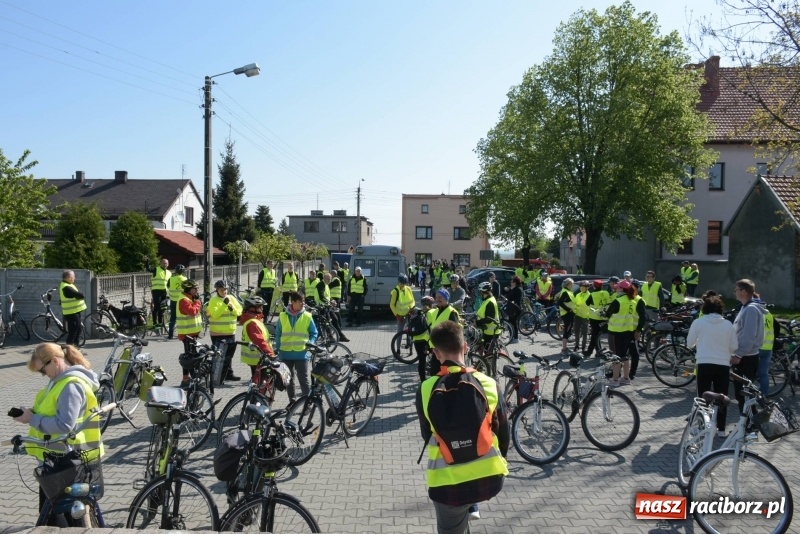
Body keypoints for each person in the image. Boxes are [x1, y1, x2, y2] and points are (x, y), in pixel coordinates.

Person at [415, 320, 509, 534]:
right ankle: (472, 506)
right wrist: (501, 460)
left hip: (448, 486)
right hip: (489, 479)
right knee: (469, 502)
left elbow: (426, 434)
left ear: (436, 353)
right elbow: (503, 432)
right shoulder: (489, 383)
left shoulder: (425, 389)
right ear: (465, 346)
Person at [13, 343, 103, 525]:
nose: (43, 375)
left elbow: (64, 424)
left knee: (58, 515)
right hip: (61, 459)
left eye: (42, 370)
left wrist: (32, 419)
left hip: (69, 460)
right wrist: (30, 414)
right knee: (57, 513)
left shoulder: (71, 386)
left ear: (55, 361)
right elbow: (55, 412)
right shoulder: (60, 381)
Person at [686, 294, 738, 436]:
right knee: (722, 397)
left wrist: (700, 343)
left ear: (705, 308)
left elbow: (689, 343)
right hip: (722, 364)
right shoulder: (728, 324)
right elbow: (734, 346)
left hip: (704, 362)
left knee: (703, 397)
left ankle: (702, 426)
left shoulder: (698, 322)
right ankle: (721, 429)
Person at [274, 291, 318, 404]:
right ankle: (292, 403)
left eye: (303, 301)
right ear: (292, 302)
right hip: (285, 354)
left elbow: (314, 333)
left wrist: (310, 343)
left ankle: (307, 404)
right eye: (300, 301)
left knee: (304, 380)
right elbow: (278, 333)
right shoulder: (282, 316)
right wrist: (278, 349)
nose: (303, 303)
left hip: (302, 353)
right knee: (288, 380)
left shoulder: (307, 316)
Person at [732, 279, 766, 412]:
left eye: (736, 290)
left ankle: (750, 427)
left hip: (746, 358)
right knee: (742, 394)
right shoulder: (746, 307)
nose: (734, 292)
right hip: (745, 356)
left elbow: (749, 335)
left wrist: (739, 355)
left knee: (745, 394)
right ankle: (746, 425)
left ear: (744, 292)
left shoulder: (751, 309)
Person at [605, 280, 646, 386]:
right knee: (624, 355)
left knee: (617, 356)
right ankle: (626, 378)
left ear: (622, 289)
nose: (616, 289)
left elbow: (608, 313)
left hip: (617, 332)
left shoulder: (618, 300)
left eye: (617, 288)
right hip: (628, 331)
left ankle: (615, 379)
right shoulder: (632, 301)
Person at [207, 280, 243, 383]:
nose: (224, 291)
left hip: (230, 331)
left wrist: (232, 309)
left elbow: (239, 311)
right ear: (217, 290)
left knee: (229, 355)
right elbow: (215, 315)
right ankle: (217, 376)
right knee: (219, 356)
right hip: (217, 332)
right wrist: (224, 305)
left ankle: (229, 374)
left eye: (226, 289)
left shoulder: (231, 298)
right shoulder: (213, 301)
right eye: (222, 290)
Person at [238, 296, 276, 378]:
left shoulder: (252, 320)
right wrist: (270, 353)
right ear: (253, 308)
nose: (262, 308)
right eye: (260, 306)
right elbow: (259, 341)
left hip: (256, 357)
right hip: (258, 358)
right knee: (259, 383)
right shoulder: (253, 323)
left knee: (257, 381)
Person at [176, 279, 203, 388]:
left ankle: (186, 379)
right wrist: (197, 303)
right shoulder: (184, 300)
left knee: (189, 355)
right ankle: (194, 379)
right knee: (190, 358)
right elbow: (192, 312)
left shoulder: (189, 298)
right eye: (195, 288)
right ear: (188, 289)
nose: (197, 290)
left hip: (191, 333)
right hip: (187, 334)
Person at [318, 272, 349, 342]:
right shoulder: (321, 285)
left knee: (335, 318)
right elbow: (321, 296)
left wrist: (332, 300)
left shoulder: (326, 285)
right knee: (327, 322)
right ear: (324, 278)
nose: (330, 281)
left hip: (327, 306)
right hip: (321, 307)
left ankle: (341, 335)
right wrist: (329, 302)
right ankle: (330, 337)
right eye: (328, 279)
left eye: (330, 279)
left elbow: (328, 296)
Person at [59, 270, 86, 346]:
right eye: (73, 276)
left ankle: (76, 350)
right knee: (73, 333)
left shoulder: (67, 284)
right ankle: (69, 351)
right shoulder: (66, 287)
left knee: (78, 330)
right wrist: (82, 294)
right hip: (71, 313)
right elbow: (80, 295)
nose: (75, 278)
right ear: (69, 277)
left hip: (75, 312)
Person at [412, 295, 437, 381]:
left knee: (421, 361)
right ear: (432, 304)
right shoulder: (434, 312)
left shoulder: (418, 312)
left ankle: (423, 382)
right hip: (427, 340)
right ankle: (434, 380)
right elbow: (433, 327)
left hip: (416, 339)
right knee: (436, 359)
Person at [585, 279, 612, 357]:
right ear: (602, 286)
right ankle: (590, 351)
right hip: (604, 316)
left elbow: (587, 303)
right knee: (595, 334)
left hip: (594, 317)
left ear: (594, 286)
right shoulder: (606, 293)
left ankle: (598, 352)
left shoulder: (592, 294)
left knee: (595, 335)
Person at [754, 293, 774, 395]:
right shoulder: (768, 314)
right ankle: (764, 395)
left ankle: (749, 395)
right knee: (763, 373)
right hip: (768, 347)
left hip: (757, 347)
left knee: (750, 372)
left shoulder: (754, 312)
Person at [144, 256, 171, 327]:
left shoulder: (169, 273)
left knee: (163, 307)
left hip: (164, 291)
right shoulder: (156, 269)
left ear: (168, 264)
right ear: (160, 263)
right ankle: (155, 323)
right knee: (157, 307)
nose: (165, 264)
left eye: (166, 263)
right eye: (163, 263)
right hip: (156, 291)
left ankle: (160, 322)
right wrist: (147, 262)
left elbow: (168, 283)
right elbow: (148, 269)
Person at [166, 264, 187, 339]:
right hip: (182, 301)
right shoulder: (185, 279)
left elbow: (168, 287)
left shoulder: (171, 279)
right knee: (183, 317)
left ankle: (170, 335)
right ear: (183, 271)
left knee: (173, 318)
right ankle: (183, 333)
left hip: (173, 301)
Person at [556, 278, 576, 353]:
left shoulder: (567, 291)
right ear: (568, 284)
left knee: (568, 330)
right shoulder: (565, 292)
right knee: (567, 331)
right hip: (567, 314)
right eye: (572, 284)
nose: (573, 285)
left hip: (569, 314)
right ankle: (564, 349)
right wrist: (568, 309)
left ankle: (565, 348)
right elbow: (560, 302)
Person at [572, 281, 592, 353]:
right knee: (576, 331)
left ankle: (584, 347)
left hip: (585, 317)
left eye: (583, 287)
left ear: (587, 288)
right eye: (581, 286)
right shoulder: (578, 295)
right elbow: (575, 304)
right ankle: (576, 345)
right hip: (577, 315)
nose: (582, 288)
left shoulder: (590, 295)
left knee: (584, 333)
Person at [505, 275, 524, 344]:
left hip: (516, 309)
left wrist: (509, 291)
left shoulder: (518, 289)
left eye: (512, 281)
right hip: (514, 308)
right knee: (511, 323)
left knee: (512, 323)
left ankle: (515, 338)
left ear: (515, 282)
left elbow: (511, 298)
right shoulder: (516, 288)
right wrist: (509, 290)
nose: (510, 283)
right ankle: (512, 337)